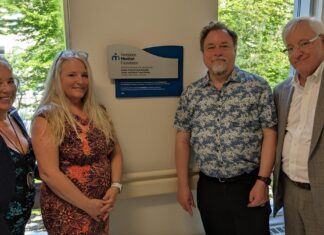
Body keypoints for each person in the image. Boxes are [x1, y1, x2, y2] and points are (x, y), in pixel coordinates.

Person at [174, 21, 277, 235]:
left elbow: (270, 134)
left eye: (224, 46)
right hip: (209, 189)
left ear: (235, 49)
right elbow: (182, 140)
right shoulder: (191, 94)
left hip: (249, 184)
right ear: (203, 53)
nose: (217, 52)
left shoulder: (257, 87)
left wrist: (263, 181)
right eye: (211, 47)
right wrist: (182, 185)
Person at [31, 50, 123, 235]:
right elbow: (48, 173)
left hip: (101, 208)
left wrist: (115, 186)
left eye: (84, 75)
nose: (80, 81)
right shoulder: (47, 117)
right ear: (58, 78)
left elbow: (116, 152)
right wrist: (87, 205)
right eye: (71, 75)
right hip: (67, 210)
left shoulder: (99, 112)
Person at [272, 17, 324, 235]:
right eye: (290, 48)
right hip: (290, 192)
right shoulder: (282, 91)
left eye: (304, 43)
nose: (296, 53)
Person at [0, 56, 37, 234]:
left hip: (21, 224)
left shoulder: (14, 115)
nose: (7, 89)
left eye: (10, 81)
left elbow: (24, 164)